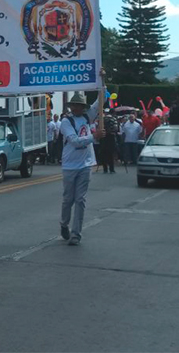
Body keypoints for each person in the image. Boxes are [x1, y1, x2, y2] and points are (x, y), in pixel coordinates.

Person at [58, 91, 104, 245]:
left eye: (79, 105)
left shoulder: (87, 117)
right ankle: (64, 223)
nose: (76, 108)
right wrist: (94, 136)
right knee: (68, 199)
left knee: (80, 199)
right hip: (70, 165)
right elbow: (75, 141)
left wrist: (102, 81)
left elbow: (99, 101)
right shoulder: (66, 122)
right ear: (71, 107)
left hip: (85, 164)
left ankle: (76, 233)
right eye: (74, 105)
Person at [100, 109, 118, 173]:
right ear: (113, 113)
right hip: (111, 137)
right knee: (111, 153)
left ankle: (105, 169)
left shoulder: (103, 118)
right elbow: (116, 128)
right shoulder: (113, 119)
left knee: (104, 153)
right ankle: (111, 169)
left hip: (103, 136)